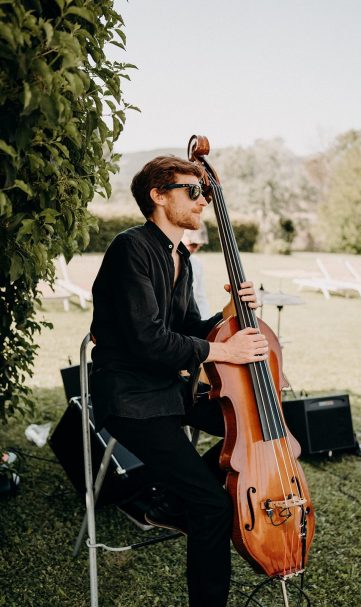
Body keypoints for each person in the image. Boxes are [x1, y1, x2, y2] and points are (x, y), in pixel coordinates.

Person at [89, 155, 268, 607]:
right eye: (193, 191)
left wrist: (230, 315)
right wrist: (227, 351)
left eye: (204, 192)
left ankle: (170, 502)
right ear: (159, 196)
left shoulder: (180, 259)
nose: (203, 200)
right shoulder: (130, 248)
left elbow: (189, 329)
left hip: (169, 394)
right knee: (213, 506)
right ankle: (187, 502)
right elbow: (148, 340)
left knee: (262, 423)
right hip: (131, 401)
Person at [182, 222, 211, 319]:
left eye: (198, 245)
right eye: (192, 244)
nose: (195, 249)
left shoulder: (196, 263)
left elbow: (200, 296)